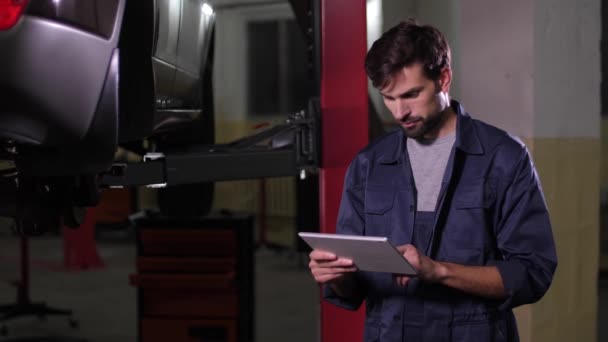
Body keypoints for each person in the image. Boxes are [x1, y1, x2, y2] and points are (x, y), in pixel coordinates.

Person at [307, 20, 557, 342]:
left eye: (411, 94)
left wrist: (437, 270)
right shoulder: (369, 165)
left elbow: (532, 272)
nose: (400, 112)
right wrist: (335, 275)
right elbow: (352, 285)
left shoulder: (503, 158)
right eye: (388, 97)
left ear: (443, 78)